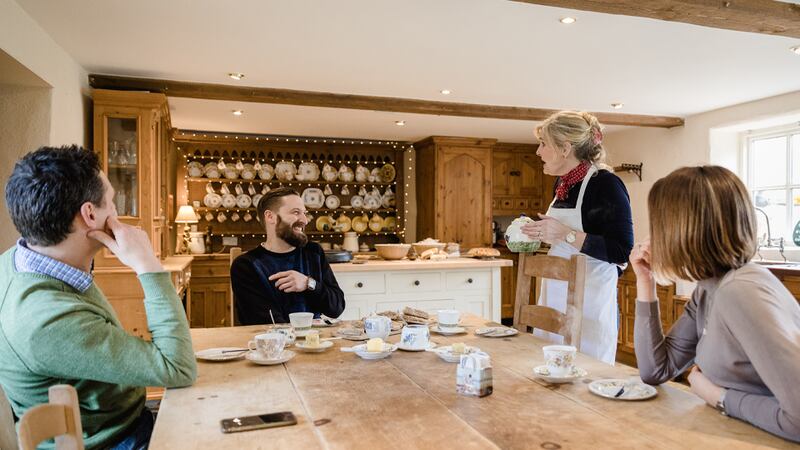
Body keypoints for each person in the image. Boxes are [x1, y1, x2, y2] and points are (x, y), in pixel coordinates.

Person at [0, 145, 197, 449]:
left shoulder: (16, 260)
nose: (117, 213)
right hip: (114, 439)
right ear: (90, 214)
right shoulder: (47, 320)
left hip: (118, 423)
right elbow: (178, 369)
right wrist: (148, 265)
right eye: (113, 203)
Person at [630, 166, 800, 442]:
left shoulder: (739, 291)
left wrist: (718, 396)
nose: (655, 237)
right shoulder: (709, 288)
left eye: (660, 226)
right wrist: (645, 282)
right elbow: (655, 370)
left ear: (685, 229)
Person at [521, 111, 633, 364]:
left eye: (543, 144)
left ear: (565, 148)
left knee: (584, 373)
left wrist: (565, 234)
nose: (538, 152)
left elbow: (621, 251)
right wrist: (537, 234)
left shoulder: (606, 184)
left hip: (590, 300)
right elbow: (566, 239)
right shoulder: (563, 186)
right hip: (556, 293)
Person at [231, 187, 345, 325]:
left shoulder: (313, 252)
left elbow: (337, 308)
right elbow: (264, 323)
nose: (305, 220)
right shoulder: (246, 265)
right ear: (270, 217)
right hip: (275, 344)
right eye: (296, 212)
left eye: (304, 213)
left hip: (316, 343)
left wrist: (308, 283)